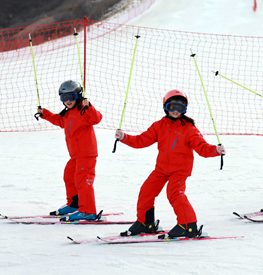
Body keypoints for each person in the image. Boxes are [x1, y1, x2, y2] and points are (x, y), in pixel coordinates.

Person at [115, 90, 225, 238]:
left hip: (180, 170)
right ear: (165, 107)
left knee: (174, 193)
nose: (175, 111)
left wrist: (216, 150)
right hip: (161, 169)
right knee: (146, 191)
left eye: (180, 108)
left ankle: (188, 226)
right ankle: (145, 223)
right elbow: (141, 140)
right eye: (172, 106)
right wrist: (124, 137)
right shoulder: (159, 126)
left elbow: (202, 148)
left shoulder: (189, 129)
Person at [38, 80, 103, 221]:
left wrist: (89, 106)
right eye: (64, 98)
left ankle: (88, 211)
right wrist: (45, 114)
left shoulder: (84, 111)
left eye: (71, 97)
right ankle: (75, 205)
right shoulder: (69, 113)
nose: (67, 101)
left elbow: (97, 119)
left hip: (86, 155)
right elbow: (60, 121)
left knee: (83, 180)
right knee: (69, 176)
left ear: (78, 96)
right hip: (76, 155)